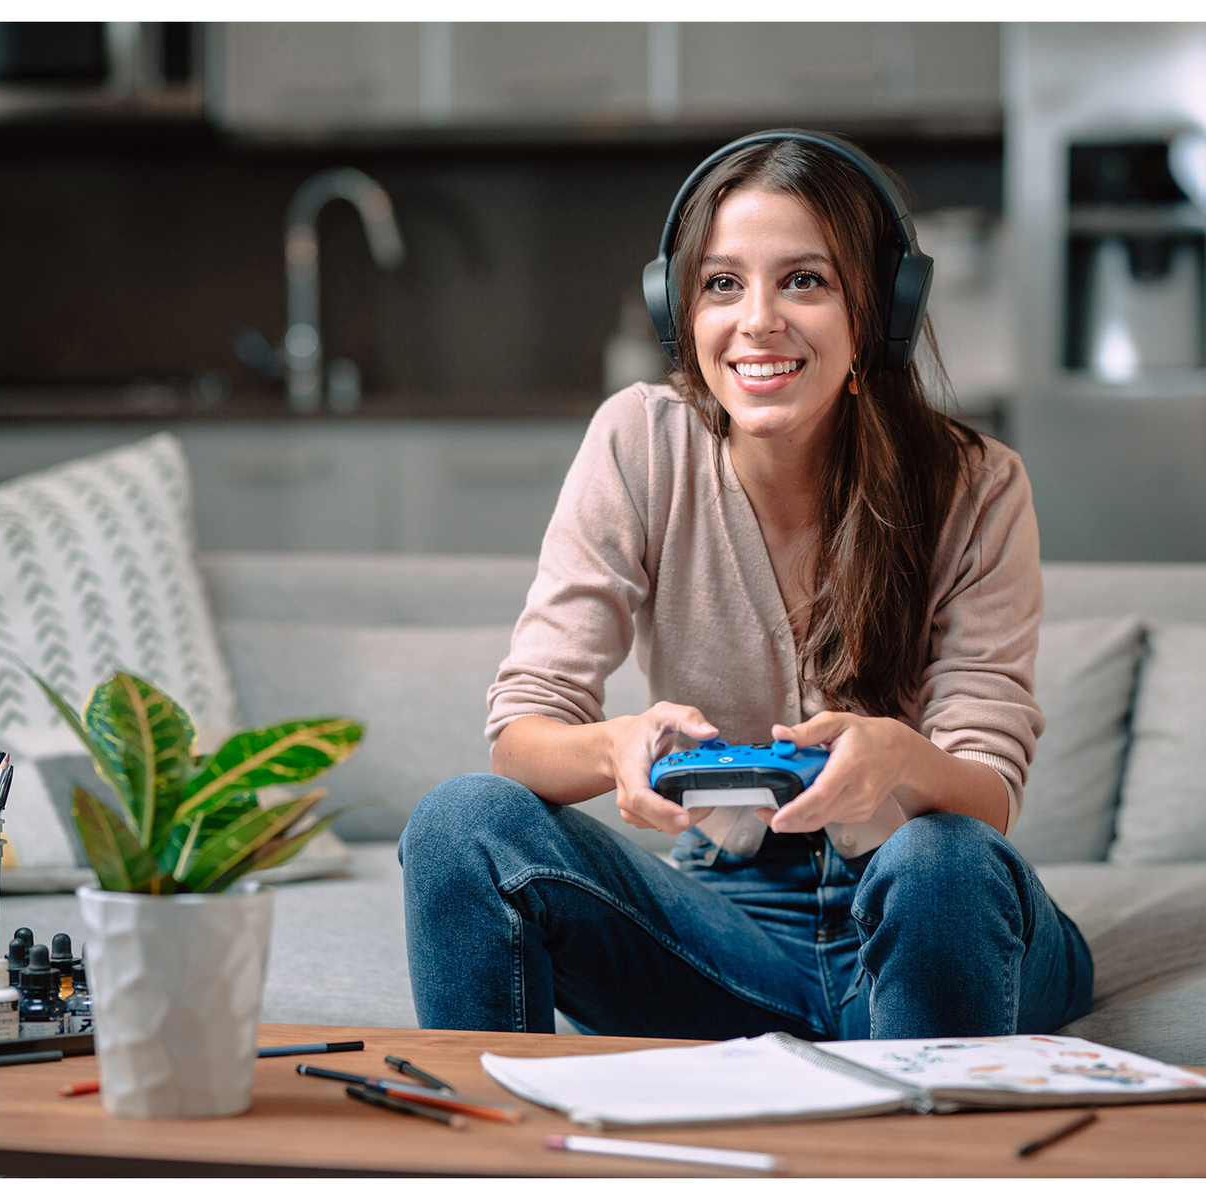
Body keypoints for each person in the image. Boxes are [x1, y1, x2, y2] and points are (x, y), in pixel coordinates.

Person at [400, 131, 1093, 1042]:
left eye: (804, 280)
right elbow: (523, 732)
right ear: (678, 309)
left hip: (930, 912)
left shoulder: (976, 484)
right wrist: (616, 748)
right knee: (461, 822)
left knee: (942, 862)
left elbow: (989, 788)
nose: (757, 320)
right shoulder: (640, 445)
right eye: (723, 283)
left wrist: (896, 759)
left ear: (880, 311)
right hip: (727, 931)